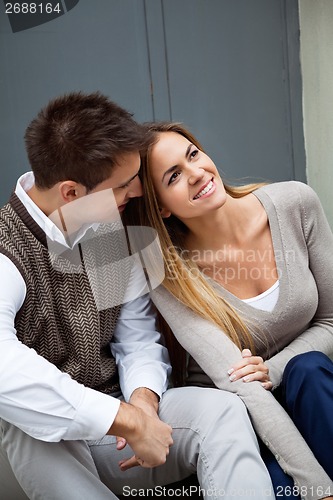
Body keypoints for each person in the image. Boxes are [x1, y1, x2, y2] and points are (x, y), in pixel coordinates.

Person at [0, 92, 275, 500]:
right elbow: (6, 368)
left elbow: (136, 339)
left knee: (222, 411)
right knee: (26, 426)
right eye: (124, 185)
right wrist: (124, 420)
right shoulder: (7, 250)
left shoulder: (106, 233)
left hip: (118, 436)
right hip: (40, 449)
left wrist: (143, 405)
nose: (138, 192)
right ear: (72, 192)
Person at [128, 121, 333, 500]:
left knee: (308, 370)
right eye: (173, 176)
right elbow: (240, 384)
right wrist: (318, 490)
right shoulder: (167, 271)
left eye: (193, 155)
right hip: (247, 422)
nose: (196, 174)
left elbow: (331, 321)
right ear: (160, 207)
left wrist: (273, 368)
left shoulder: (295, 204)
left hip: (315, 397)